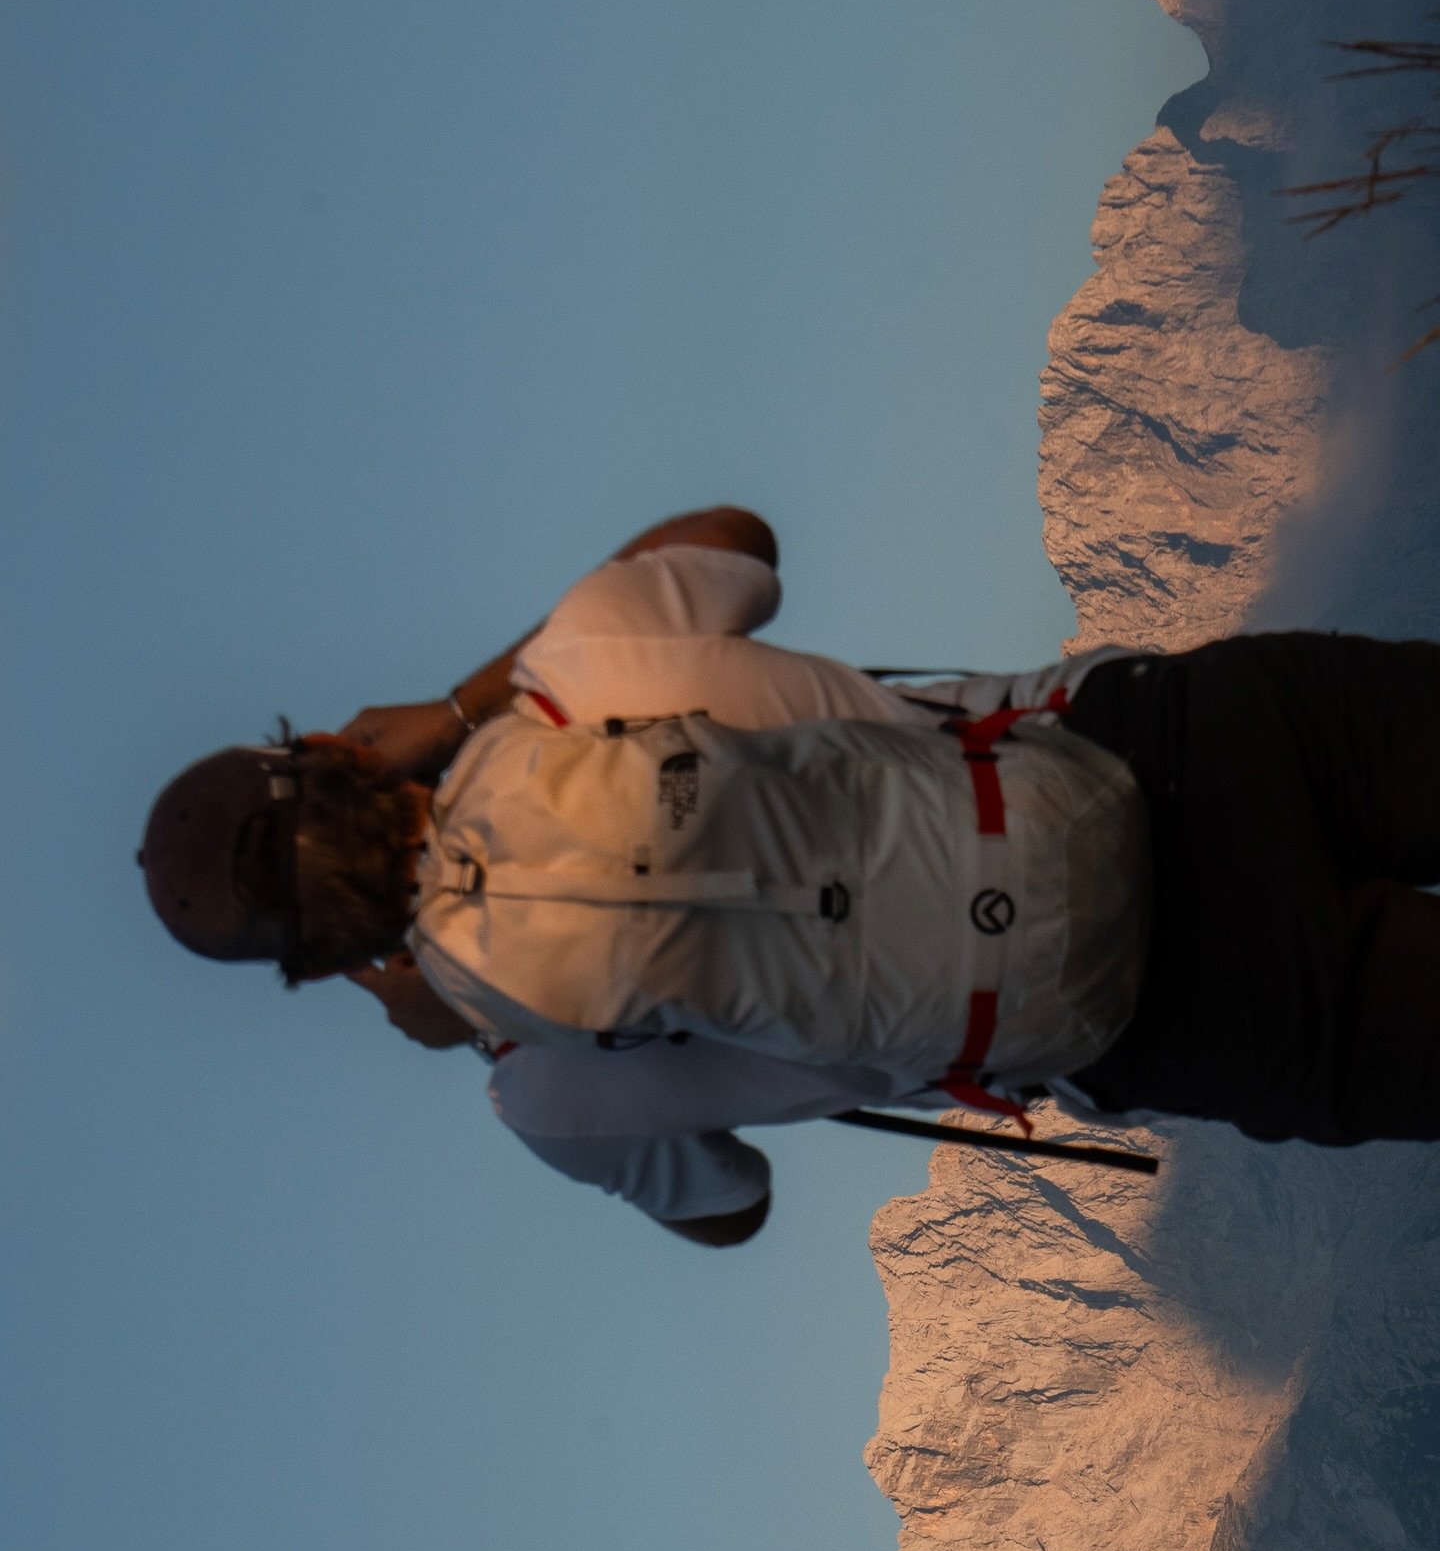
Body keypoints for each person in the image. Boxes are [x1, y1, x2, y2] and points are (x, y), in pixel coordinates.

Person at [140, 507, 1440, 1245]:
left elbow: (730, 1212)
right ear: (326, 749)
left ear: (328, 962)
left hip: (1184, 1014)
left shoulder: (542, 1089)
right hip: (1169, 746)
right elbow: (737, 539)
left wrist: (476, 1027)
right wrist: (461, 701)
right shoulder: (584, 662)